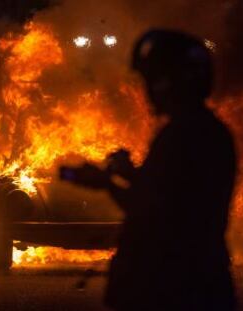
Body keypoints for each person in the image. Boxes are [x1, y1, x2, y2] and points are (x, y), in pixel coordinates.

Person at [60, 29, 236, 311]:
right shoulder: (207, 131)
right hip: (195, 279)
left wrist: (106, 182)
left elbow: (152, 207)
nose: (148, 90)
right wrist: (128, 172)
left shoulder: (183, 135)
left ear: (171, 82)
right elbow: (173, 191)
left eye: (152, 79)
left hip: (174, 287)